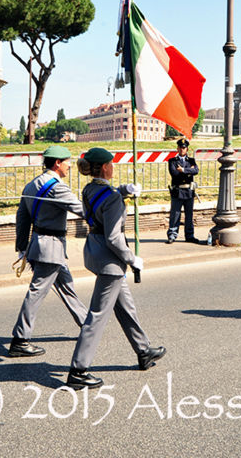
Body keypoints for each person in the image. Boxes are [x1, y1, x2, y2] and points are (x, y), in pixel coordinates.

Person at [66, 147, 166, 390]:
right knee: (97, 316)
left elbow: (103, 198)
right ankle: (78, 370)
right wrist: (132, 259)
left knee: (126, 307)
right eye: (111, 163)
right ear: (104, 168)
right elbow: (114, 237)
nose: (114, 166)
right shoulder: (111, 198)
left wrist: (125, 190)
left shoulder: (91, 188)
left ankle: (143, 351)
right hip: (111, 260)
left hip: (95, 251)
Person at [9, 146, 88, 357]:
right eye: (68, 161)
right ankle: (20, 339)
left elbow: (22, 218)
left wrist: (22, 247)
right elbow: (83, 210)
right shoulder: (57, 188)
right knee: (36, 292)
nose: (70, 165)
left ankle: (88, 324)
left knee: (66, 286)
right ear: (57, 164)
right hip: (51, 247)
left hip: (41, 244)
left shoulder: (31, 184)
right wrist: (114, 203)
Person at [167, 138, 201, 244]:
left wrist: (183, 170)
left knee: (189, 215)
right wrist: (188, 171)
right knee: (175, 215)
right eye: (180, 148)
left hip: (189, 191)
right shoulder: (172, 161)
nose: (182, 149)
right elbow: (174, 173)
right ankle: (172, 235)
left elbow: (196, 170)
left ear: (187, 149)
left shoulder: (191, 160)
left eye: (184, 148)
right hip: (177, 191)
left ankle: (189, 236)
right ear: (177, 148)